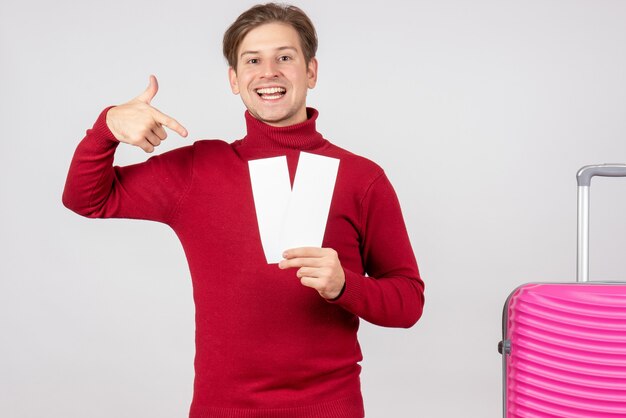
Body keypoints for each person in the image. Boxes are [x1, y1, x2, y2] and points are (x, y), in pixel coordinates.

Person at [62, 3, 424, 418]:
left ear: (311, 72)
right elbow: (86, 198)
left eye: (285, 57)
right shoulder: (200, 168)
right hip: (223, 409)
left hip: (329, 407)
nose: (268, 71)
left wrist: (346, 285)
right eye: (253, 60)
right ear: (235, 79)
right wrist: (106, 128)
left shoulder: (362, 178)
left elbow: (409, 302)